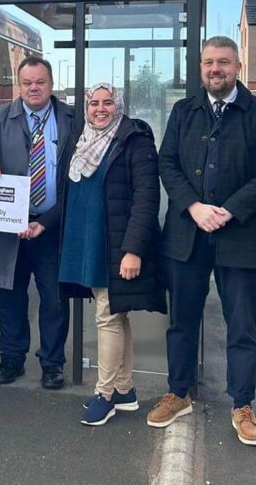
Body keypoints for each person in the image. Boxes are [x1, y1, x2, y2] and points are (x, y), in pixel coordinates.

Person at [147, 36, 256, 446]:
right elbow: (166, 163)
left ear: (238, 67)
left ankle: (242, 404)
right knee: (182, 322)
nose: (215, 69)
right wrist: (193, 206)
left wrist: (229, 209)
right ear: (201, 68)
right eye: (208, 62)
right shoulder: (183, 111)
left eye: (223, 62)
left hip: (241, 236)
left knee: (242, 326)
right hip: (187, 236)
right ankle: (180, 392)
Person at [57, 83, 166, 426]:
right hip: (87, 241)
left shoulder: (135, 141)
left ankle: (104, 395)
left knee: (106, 316)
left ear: (118, 105)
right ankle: (124, 389)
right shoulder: (82, 140)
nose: (100, 109)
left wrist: (133, 250)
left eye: (107, 103)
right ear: (86, 107)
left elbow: (147, 201)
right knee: (115, 315)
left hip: (115, 246)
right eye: (93, 103)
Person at [0, 56, 76, 389]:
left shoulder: (73, 119)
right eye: (27, 82)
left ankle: (52, 363)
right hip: (9, 227)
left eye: (40, 82)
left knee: (54, 300)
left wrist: (47, 221)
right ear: (19, 85)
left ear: (51, 83)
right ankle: (12, 359)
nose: (33, 88)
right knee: (10, 297)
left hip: (53, 227)